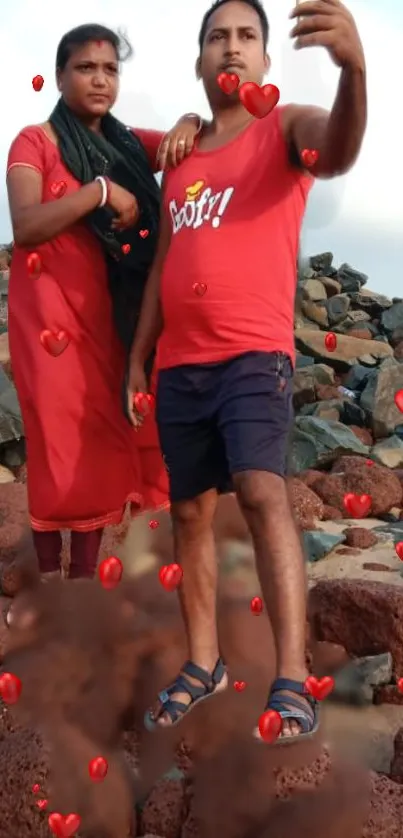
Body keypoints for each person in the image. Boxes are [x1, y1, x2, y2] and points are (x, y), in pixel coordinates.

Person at [127, 0, 367, 742]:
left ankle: (290, 679)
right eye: (216, 39)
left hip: (253, 354)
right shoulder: (183, 158)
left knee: (264, 494)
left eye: (246, 38)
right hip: (180, 363)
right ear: (200, 61)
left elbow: (337, 148)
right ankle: (204, 665)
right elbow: (165, 262)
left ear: (264, 58)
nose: (231, 49)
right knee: (190, 512)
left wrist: (354, 70)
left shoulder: (285, 123)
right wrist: (137, 356)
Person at [5, 23, 203, 583]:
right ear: (62, 73)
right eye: (86, 68)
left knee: (107, 437)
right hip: (48, 319)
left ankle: (83, 583)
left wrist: (190, 119)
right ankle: (48, 581)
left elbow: (189, 144)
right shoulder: (35, 142)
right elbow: (25, 226)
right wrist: (98, 191)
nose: (100, 79)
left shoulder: (124, 143)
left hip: (112, 320)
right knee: (58, 440)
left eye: (110, 69)